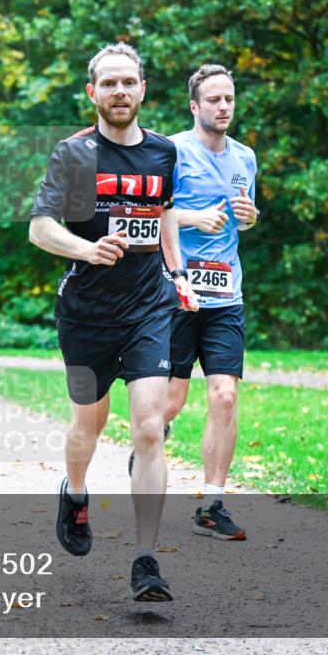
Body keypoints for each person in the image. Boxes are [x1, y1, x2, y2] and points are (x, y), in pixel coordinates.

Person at [29, 43, 198, 601]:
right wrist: (87, 248)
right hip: (86, 314)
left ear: (143, 89)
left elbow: (164, 211)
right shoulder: (73, 154)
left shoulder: (164, 152)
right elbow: (39, 227)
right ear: (92, 93)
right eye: (108, 84)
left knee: (149, 428)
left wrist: (178, 272)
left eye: (128, 82)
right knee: (89, 427)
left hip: (148, 307)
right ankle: (75, 493)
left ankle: (146, 559)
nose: (119, 92)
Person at [138, 64, 259, 541]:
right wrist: (194, 217)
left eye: (229, 98)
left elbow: (241, 219)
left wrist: (250, 216)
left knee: (225, 395)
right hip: (177, 291)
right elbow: (150, 214)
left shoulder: (245, 157)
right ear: (194, 106)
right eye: (213, 99)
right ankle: (150, 442)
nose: (223, 107)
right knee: (170, 401)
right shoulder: (169, 152)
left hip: (226, 295)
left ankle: (212, 504)